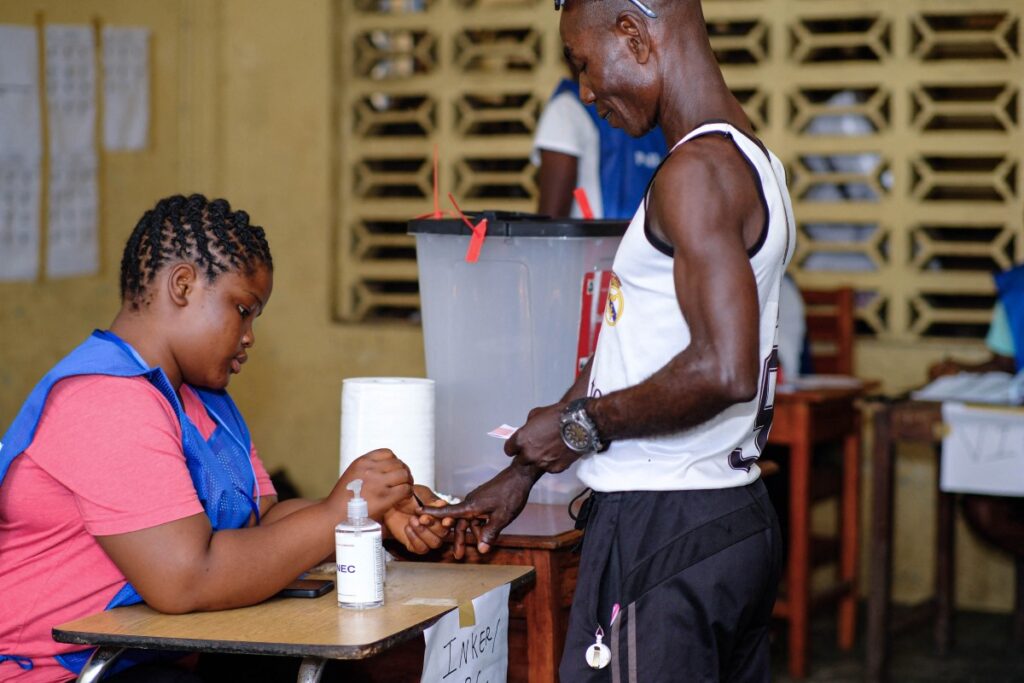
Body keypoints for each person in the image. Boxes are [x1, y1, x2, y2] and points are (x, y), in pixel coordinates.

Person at [426, 1, 792, 680]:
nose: (586, 91)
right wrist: (524, 471)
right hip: (726, 515)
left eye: (584, 64)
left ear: (633, 33)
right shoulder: (748, 157)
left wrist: (575, 429)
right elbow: (635, 348)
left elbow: (726, 367)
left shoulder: (697, 174)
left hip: (662, 530)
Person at [0, 194, 447, 682]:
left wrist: (367, 514)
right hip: (53, 671)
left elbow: (266, 522)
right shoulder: (105, 399)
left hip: (141, 648)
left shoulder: (200, 399)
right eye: (243, 309)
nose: (250, 335)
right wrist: (334, 514)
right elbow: (187, 578)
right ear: (184, 285)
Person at [533, 71, 667, 219]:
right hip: (650, 239)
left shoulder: (565, 110)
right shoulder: (655, 110)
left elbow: (551, 221)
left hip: (598, 240)